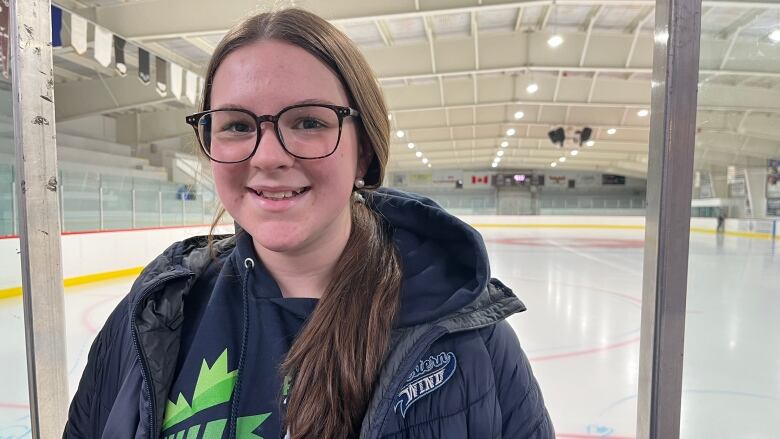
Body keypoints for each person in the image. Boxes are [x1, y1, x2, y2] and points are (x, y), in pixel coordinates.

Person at [64, 8, 553, 439]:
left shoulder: (471, 343)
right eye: (236, 125)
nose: (270, 155)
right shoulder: (153, 312)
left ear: (364, 152)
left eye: (309, 122)